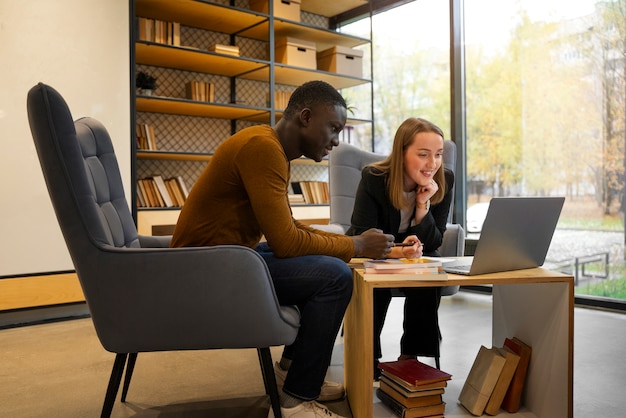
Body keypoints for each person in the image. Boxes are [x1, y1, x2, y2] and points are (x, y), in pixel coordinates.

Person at [171, 80, 394, 418]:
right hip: (206, 269)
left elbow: (287, 228)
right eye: (333, 128)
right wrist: (356, 244)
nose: (336, 141)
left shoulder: (269, 146)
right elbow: (287, 243)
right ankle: (297, 399)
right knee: (334, 276)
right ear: (305, 117)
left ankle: (291, 371)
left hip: (224, 259)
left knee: (324, 263)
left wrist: (348, 243)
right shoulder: (263, 149)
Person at [346, 117, 455, 379]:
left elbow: (435, 240)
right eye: (423, 155)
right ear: (402, 153)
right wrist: (398, 251)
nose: (432, 164)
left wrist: (422, 206)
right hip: (372, 254)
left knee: (429, 274)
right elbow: (363, 237)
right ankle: (368, 355)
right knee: (378, 281)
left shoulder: (443, 180)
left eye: (438, 155)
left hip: (414, 257)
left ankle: (411, 356)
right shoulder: (374, 178)